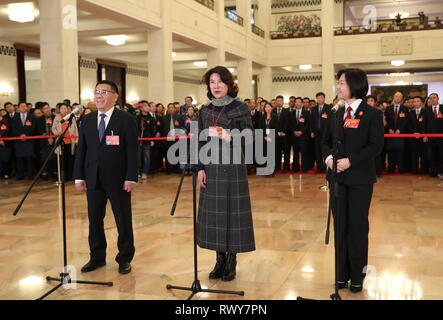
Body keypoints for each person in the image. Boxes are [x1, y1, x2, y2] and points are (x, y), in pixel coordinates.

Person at [322, 68, 383, 293]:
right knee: (341, 227)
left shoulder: (372, 114)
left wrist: (350, 161)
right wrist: (329, 159)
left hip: (360, 179)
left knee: (357, 227)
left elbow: (375, 146)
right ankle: (341, 275)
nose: (338, 87)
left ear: (355, 86)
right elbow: (325, 141)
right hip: (336, 178)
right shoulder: (334, 112)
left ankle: (357, 276)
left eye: (342, 83)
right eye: (338, 83)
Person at [73, 80, 138, 275]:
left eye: (104, 92)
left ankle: (124, 258)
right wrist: (78, 176)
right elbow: (81, 150)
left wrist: (131, 177)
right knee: (94, 220)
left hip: (118, 179)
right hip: (93, 179)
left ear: (115, 96)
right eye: (96, 92)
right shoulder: (88, 120)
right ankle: (97, 257)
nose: (99, 96)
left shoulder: (126, 119)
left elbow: (132, 151)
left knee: (123, 220)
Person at [197, 66, 255, 282]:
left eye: (220, 81)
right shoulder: (205, 110)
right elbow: (199, 141)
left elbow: (249, 136)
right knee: (214, 216)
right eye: (212, 82)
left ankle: (231, 259)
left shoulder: (240, 108)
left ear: (229, 84)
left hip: (232, 168)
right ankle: (219, 259)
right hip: (210, 168)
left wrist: (230, 134)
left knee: (231, 214)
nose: (216, 86)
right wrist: (200, 168)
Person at [11, 102, 38, 180]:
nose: (23, 108)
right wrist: (20, 135)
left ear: (27, 108)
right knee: (19, 159)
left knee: (30, 158)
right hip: (18, 140)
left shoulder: (32, 117)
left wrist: (27, 135)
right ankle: (20, 175)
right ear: (18, 108)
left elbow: (33, 128)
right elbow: (13, 128)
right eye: (21, 106)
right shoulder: (15, 117)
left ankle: (30, 175)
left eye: (24, 106)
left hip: (29, 140)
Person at [52, 103, 78, 181]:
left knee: (70, 160)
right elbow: (53, 128)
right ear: (59, 110)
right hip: (61, 142)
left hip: (70, 141)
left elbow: (75, 128)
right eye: (62, 108)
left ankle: (70, 176)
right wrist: (56, 133)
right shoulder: (57, 118)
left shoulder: (71, 117)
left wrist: (77, 139)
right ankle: (63, 177)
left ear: (67, 109)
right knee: (61, 160)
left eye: (65, 108)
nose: (63, 110)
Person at [385, 91, 408, 173]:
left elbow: (406, 121)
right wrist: (389, 129)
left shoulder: (405, 109)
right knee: (391, 152)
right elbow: (385, 120)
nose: (397, 98)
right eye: (396, 96)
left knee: (400, 152)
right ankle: (391, 169)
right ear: (393, 97)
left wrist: (400, 129)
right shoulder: (388, 108)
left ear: (402, 98)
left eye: (399, 96)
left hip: (400, 134)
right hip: (390, 134)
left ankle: (401, 169)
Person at [311, 92, 332, 173]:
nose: (320, 99)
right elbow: (312, 122)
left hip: (326, 134)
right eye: (318, 98)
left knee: (326, 151)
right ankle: (319, 168)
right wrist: (312, 131)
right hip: (317, 133)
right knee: (318, 151)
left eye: (321, 98)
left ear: (324, 98)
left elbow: (330, 121)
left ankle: (327, 168)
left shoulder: (329, 108)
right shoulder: (314, 109)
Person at [423, 93, 443, 177]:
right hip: (430, 137)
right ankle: (433, 172)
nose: (432, 99)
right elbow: (424, 124)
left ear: (438, 98)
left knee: (441, 155)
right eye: (430, 98)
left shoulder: (442, 108)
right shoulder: (426, 110)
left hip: (441, 137)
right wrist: (425, 135)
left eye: (434, 98)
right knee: (432, 155)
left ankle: (441, 171)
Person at [289, 97, 311, 172]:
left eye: (299, 102)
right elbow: (290, 124)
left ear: (302, 103)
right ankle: (295, 168)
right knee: (295, 153)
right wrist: (294, 131)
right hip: (294, 136)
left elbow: (308, 124)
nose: (297, 103)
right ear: (294, 104)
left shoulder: (306, 113)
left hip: (303, 136)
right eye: (296, 102)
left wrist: (302, 131)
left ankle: (304, 168)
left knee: (304, 152)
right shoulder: (291, 113)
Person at [257, 101, 277, 177]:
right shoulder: (262, 118)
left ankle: (272, 171)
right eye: (266, 107)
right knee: (266, 155)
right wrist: (264, 136)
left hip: (272, 139)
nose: (267, 108)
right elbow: (260, 128)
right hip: (264, 139)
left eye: (269, 107)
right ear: (264, 109)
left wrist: (271, 136)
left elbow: (276, 128)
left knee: (272, 155)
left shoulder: (275, 117)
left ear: (271, 108)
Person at [408, 96, 427, 174]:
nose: (416, 103)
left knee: (423, 155)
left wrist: (422, 134)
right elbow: (408, 125)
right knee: (414, 155)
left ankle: (423, 170)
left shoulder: (426, 112)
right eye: (414, 101)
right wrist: (414, 133)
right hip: (413, 137)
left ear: (421, 102)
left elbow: (427, 125)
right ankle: (414, 170)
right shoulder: (410, 113)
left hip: (423, 137)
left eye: (418, 101)